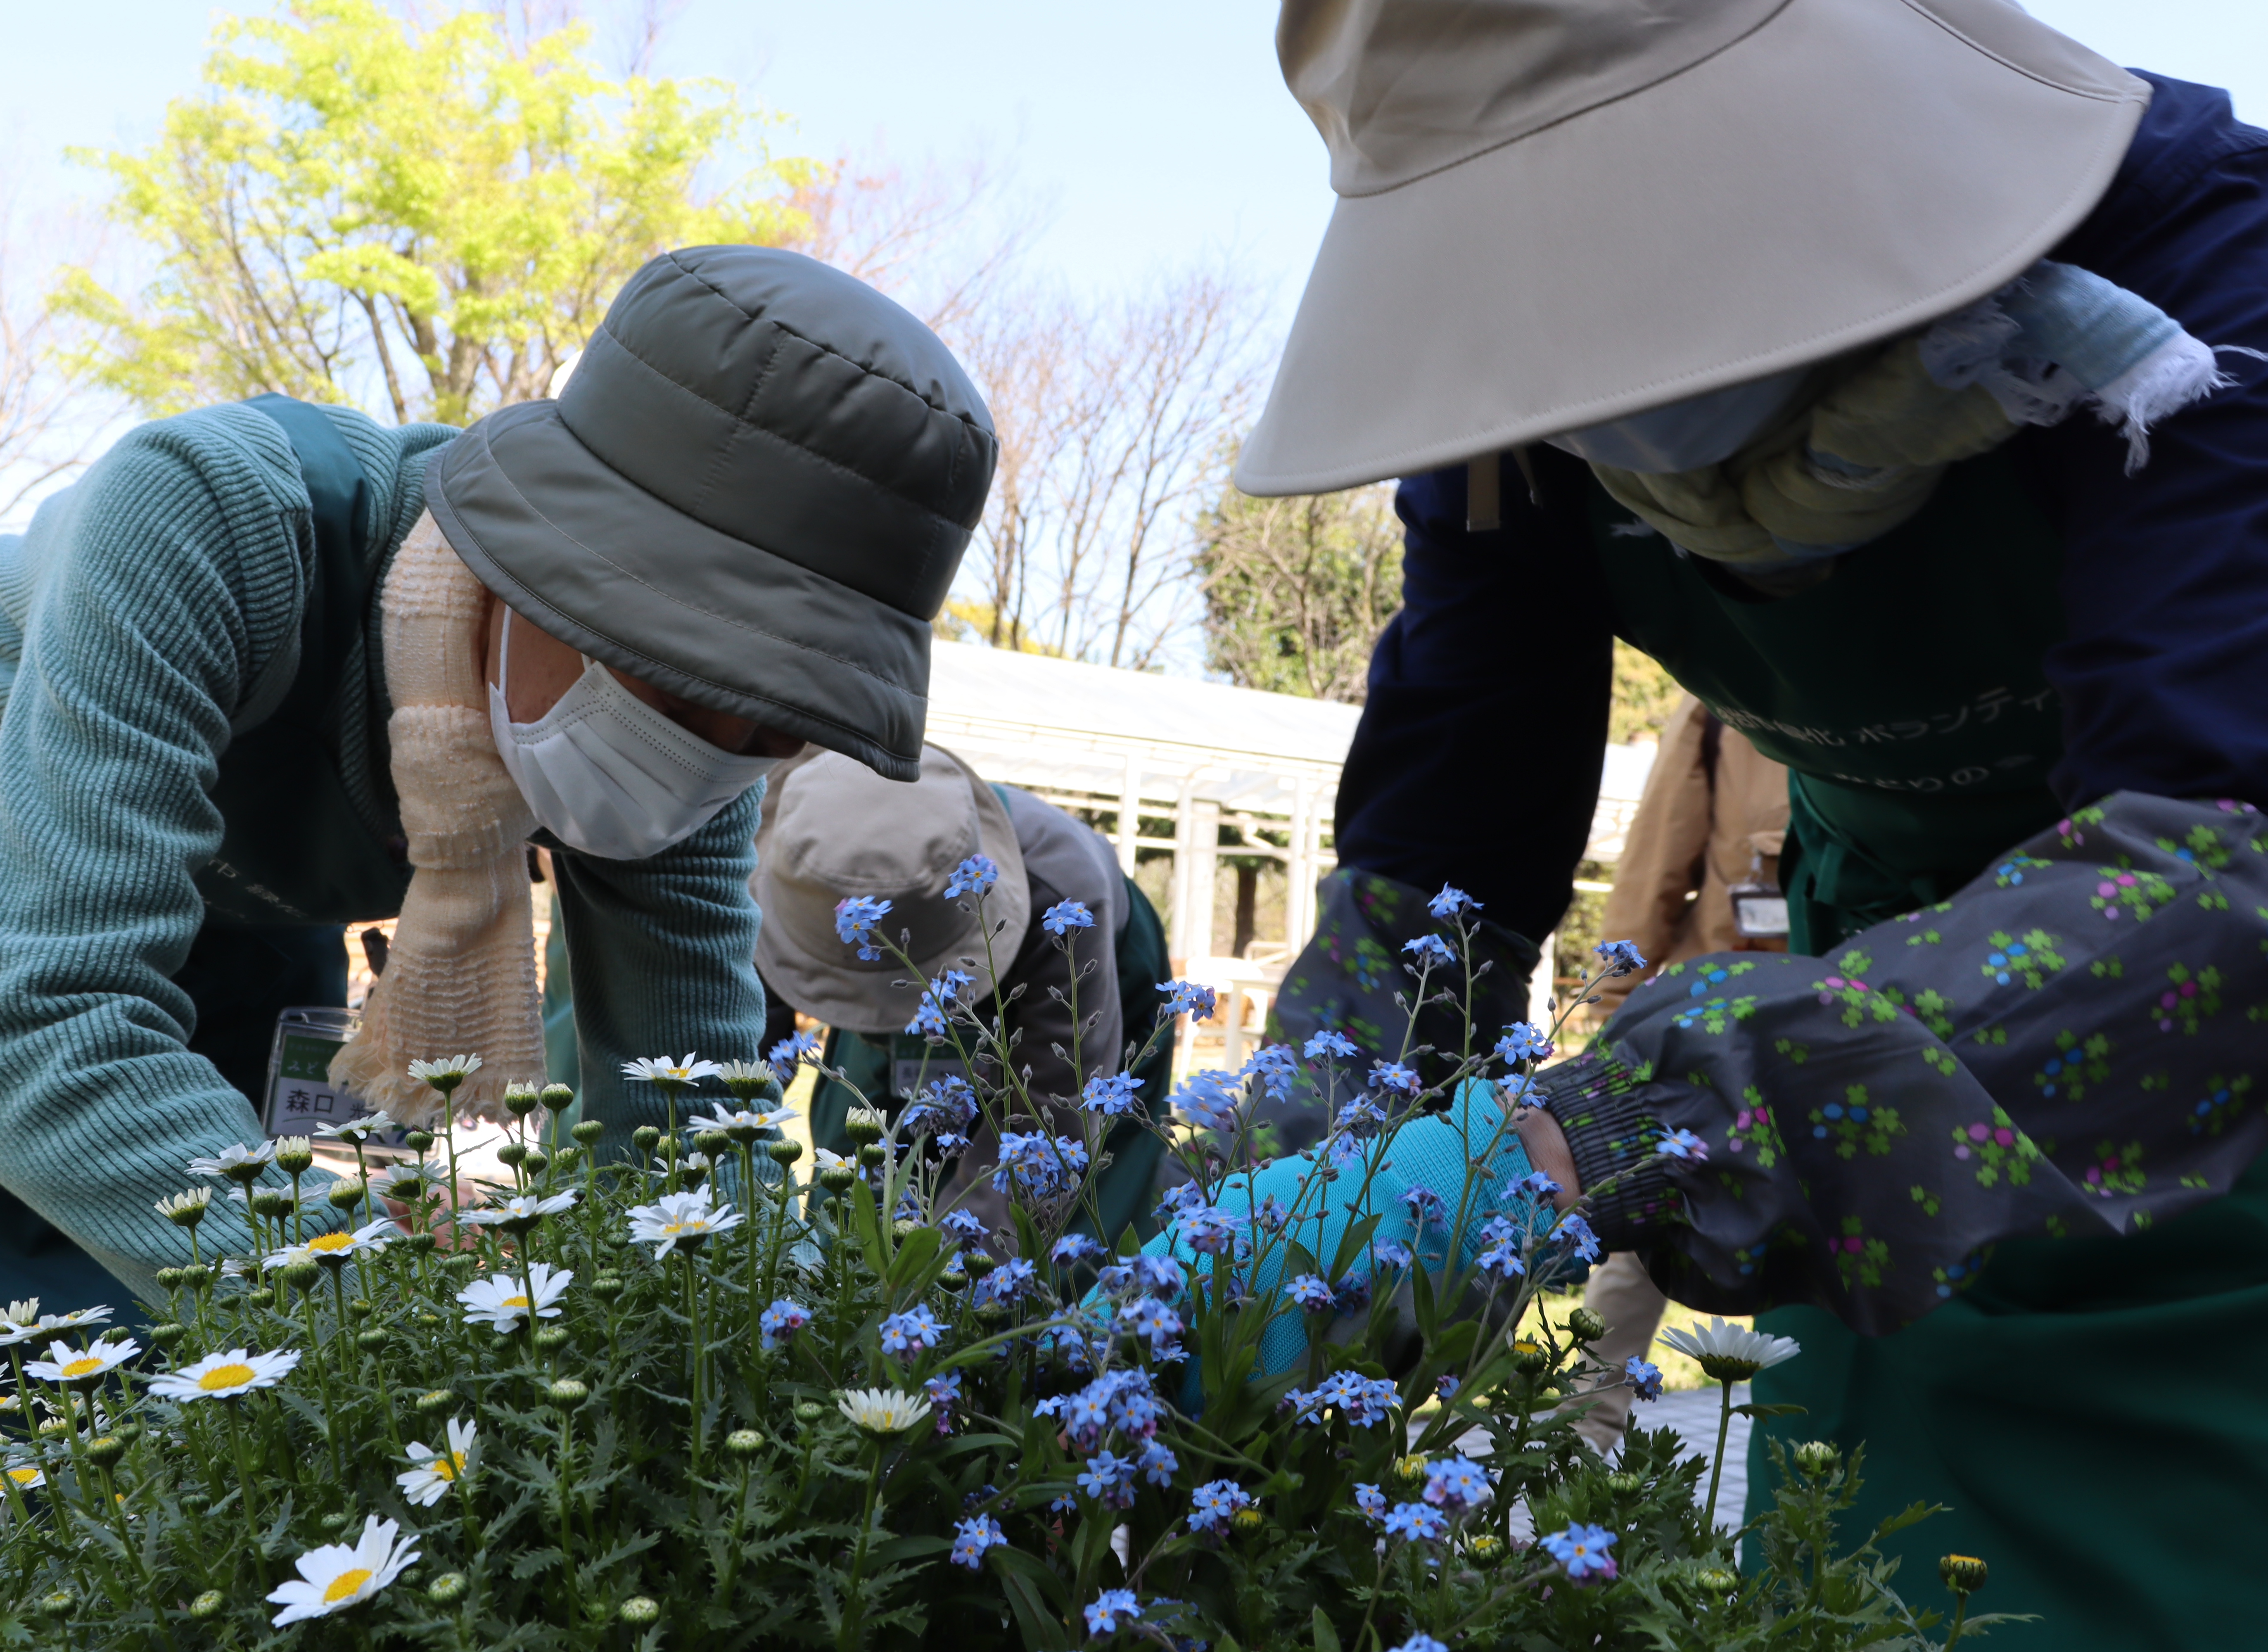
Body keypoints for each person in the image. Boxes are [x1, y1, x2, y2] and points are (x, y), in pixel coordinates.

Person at [1225, 4, 2268, 1643]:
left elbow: (2225, 891)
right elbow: (1448, 864)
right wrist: (1274, 1215)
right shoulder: (1514, 444)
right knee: (1852, 1583)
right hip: (1856, 1037)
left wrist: (1595, 1142)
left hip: (2178, 1033)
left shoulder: (2208, 279)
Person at [0, 245, 995, 1435]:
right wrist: (424, 1344)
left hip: (240, 943)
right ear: (541, 558)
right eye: (680, 682)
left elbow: (682, 1131)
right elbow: (55, 1039)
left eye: (780, 724)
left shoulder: (699, 767)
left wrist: (750, 1377)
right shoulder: (211, 520)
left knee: (182, 1409)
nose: (713, 751)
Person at [752, 743, 1172, 1244]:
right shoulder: (798, 856)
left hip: (1072, 965)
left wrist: (940, 1275)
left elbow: (1050, 1125)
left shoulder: (1064, 895)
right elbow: (748, 1031)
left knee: (1060, 1219)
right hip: (909, 941)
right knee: (852, 1179)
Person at [1575, 697, 1789, 1448]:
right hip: (1718, 1029)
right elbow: (1654, 864)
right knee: (1641, 1240)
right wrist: (1610, 1008)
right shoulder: (1721, 708)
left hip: (1850, 1037)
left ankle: (1804, 1469)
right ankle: (1566, 1452)